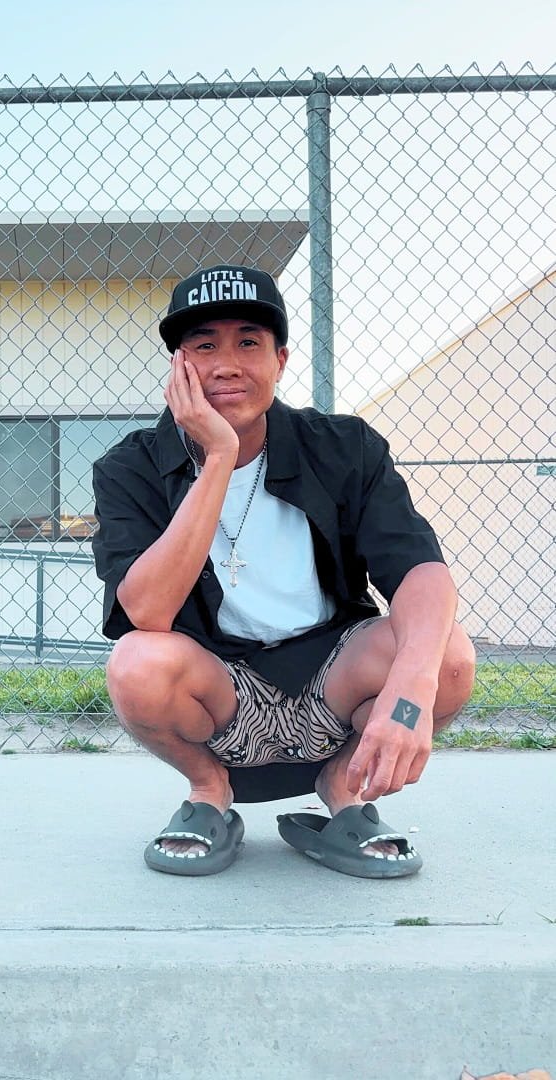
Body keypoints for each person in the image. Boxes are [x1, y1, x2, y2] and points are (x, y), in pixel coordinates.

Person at [91, 263, 475, 878]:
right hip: (222, 688)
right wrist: (217, 456)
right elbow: (148, 612)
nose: (226, 363)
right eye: (203, 345)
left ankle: (343, 787)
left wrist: (410, 694)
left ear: (281, 359)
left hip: (332, 677)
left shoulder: (343, 446)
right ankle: (209, 791)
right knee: (137, 662)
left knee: (446, 653)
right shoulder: (130, 467)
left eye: (248, 342)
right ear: (177, 365)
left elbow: (420, 573)